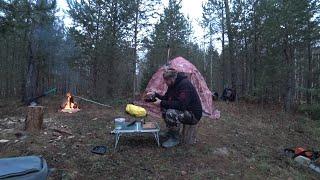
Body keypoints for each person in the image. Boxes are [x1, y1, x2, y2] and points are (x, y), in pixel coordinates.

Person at [147, 68, 202, 148]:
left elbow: (181, 105)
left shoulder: (185, 85)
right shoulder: (172, 85)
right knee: (164, 108)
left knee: (170, 113)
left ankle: (175, 138)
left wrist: (161, 102)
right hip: (185, 110)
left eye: (166, 80)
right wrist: (155, 95)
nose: (165, 83)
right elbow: (166, 98)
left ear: (172, 78)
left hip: (193, 114)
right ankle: (171, 132)